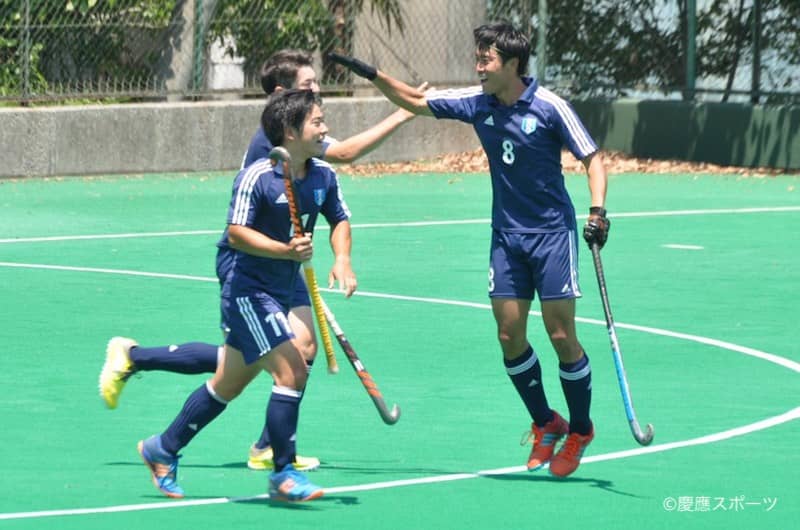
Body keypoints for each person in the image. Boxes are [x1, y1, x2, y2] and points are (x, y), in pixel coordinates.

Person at [99, 49, 421, 472]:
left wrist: (341, 257)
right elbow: (343, 153)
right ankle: (139, 363)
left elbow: (335, 204)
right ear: (283, 96)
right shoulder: (272, 145)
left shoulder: (307, 152)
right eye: (307, 86)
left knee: (285, 352)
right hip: (247, 262)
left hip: (285, 261)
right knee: (252, 362)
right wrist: (403, 114)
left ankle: (263, 445)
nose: (317, 92)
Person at [327, 21, 610, 478]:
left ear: (512, 64)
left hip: (552, 235)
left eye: (486, 59)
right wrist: (371, 73)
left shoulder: (550, 106)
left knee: (561, 336)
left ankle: (580, 430)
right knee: (509, 336)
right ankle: (546, 422)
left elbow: (593, 158)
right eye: (477, 57)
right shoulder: (477, 103)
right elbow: (415, 101)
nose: (478, 66)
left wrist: (597, 212)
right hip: (507, 237)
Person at [138, 88, 352, 501]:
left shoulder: (323, 175)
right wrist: (285, 250)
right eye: (317, 122)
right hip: (248, 291)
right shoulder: (257, 176)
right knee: (292, 370)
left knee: (228, 385)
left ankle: (162, 448)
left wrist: (342, 259)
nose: (325, 129)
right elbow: (236, 234)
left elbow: (339, 218)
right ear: (290, 131)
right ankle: (282, 473)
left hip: (281, 288)